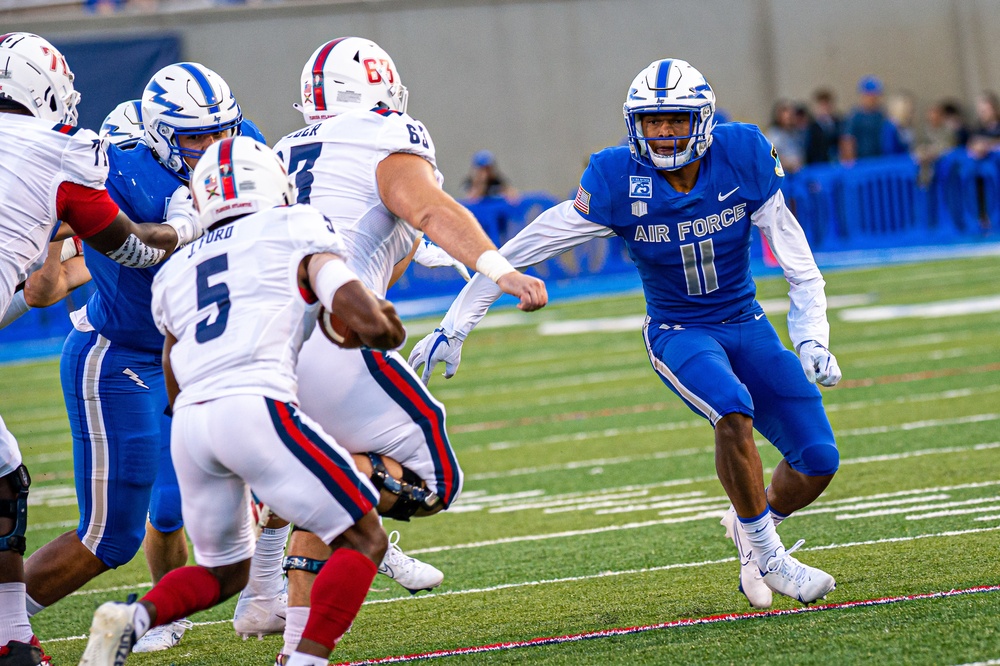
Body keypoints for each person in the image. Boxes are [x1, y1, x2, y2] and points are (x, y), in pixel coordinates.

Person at [410, 58, 841, 611]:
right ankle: (769, 556)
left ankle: (749, 525)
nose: (662, 132)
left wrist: (810, 334)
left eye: (674, 119)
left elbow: (795, 255)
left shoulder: (743, 155)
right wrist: (457, 322)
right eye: (652, 120)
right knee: (732, 410)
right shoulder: (619, 179)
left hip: (746, 321)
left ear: (702, 120)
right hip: (678, 330)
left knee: (818, 459)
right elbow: (528, 246)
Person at [266, 36, 548, 662]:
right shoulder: (383, 137)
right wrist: (498, 268)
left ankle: (296, 650)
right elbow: (428, 208)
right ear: (380, 86)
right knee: (431, 479)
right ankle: (290, 489)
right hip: (329, 334)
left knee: (340, 467)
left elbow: (375, 249)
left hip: (259, 344)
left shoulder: (283, 152)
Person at [78, 136, 406, 666]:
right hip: (254, 405)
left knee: (225, 571)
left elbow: (172, 365)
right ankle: (306, 661)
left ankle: (132, 618)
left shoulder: (179, 268)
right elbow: (355, 306)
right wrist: (383, 328)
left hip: (190, 425)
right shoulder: (295, 225)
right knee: (364, 537)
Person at [22, 61, 266, 654]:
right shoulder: (114, 163)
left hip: (203, 354)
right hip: (122, 355)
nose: (214, 148)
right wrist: (74, 252)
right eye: (194, 137)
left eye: (222, 132)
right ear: (160, 134)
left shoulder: (247, 146)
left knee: (196, 502)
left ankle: (250, 600)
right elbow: (52, 280)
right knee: (109, 538)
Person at [0, 32, 203, 665]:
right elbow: (133, 249)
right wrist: (192, 222)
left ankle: (12, 640)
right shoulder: (62, 152)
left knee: (6, 476)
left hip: (168, 353)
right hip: (117, 352)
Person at [840, 75, 890, 162]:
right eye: (870, 96)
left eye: (875, 96)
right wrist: (851, 162)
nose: (873, 99)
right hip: (861, 162)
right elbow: (848, 140)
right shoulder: (855, 116)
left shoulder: (881, 115)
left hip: (879, 160)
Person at [804, 88, 842, 165]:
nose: (825, 108)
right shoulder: (811, 127)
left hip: (836, 162)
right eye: (822, 105)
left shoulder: (839, 123)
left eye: (827, 104)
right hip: (819, 164)